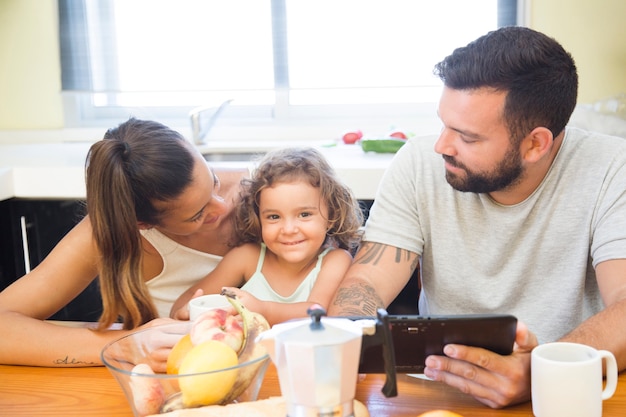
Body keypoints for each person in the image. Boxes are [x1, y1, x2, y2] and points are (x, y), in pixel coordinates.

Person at [328, 26, 626, 408]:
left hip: (565, 398)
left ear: (536, 143)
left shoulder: (612, 168)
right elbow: (367, 282)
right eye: (443, 123)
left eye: (467, 137)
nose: (441, 146)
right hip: (437, 395)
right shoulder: (419, 163)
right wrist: (344, 343)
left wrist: (541, 370)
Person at [0, 118, 248, 367]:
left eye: (213, 180)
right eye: (197, 214)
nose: (223, 205)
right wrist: (125, 345)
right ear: (142, 224)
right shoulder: (105, 232)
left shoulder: (269, 193)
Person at [171, 147, 363, 325]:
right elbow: (191, 296)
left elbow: (317, 311)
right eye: (274, 217)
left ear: (331, 215)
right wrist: (184, 312)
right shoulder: (247, 257)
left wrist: (263, 309)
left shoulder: (334, 260)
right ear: (258, 218)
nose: (288, 229)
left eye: (304, 215)